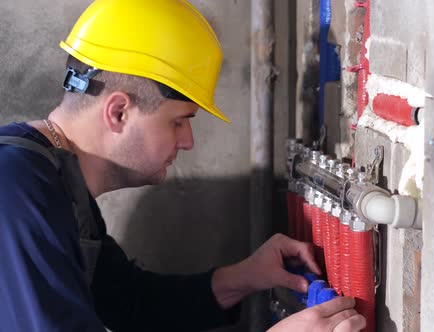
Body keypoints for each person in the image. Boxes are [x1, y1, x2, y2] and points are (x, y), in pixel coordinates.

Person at [0, 0, 367, 331]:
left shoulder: (53, 183)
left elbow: (130, 303)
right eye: (178, 120)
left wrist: (245, 277)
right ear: (118, 112)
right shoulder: (15, 188)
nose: (187, 140)